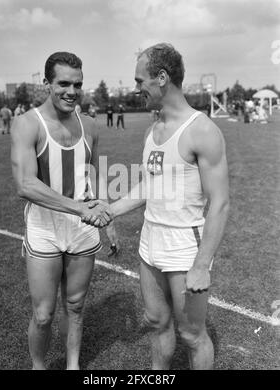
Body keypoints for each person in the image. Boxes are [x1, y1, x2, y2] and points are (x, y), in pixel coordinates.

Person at [86, 43, 229, 370]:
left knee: (192, 336)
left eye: (140, 81)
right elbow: (149, 185)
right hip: (150, 242)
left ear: (162, 78)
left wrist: (201, 264)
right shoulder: (153, 130)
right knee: (155, 322)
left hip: (184, 246)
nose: (137, 89)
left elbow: (220, 202)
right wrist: (111, 208)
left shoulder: (202, 129)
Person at [10, 51, 117, 370]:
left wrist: (104, 213)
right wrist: (79, 208)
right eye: (63, 83)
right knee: (43, 315)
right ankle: (38, 367)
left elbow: (91, 173)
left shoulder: (90, 126)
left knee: (75, 305)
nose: (72, 91)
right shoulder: (27, 124)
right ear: (46, 83)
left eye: (78, 84)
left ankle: (73, 367)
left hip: (82, 231)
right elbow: (26, 185)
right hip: (45, 228)